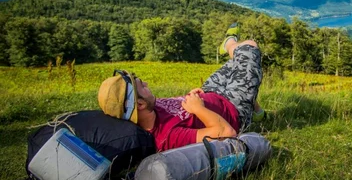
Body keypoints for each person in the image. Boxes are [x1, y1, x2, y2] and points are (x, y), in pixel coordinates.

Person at [98, 23, 265, 152]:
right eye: (142, 86)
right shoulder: (168, 136)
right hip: (234, 108)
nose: (147, 85)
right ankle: (229, 43)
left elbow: (178, 108)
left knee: (240, 62)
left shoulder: (151, 107)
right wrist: (198, 108)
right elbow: (227, 132)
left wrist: (191, 97)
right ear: (140, 105)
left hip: (211, 92)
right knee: (249, 48)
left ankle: (257, 111)